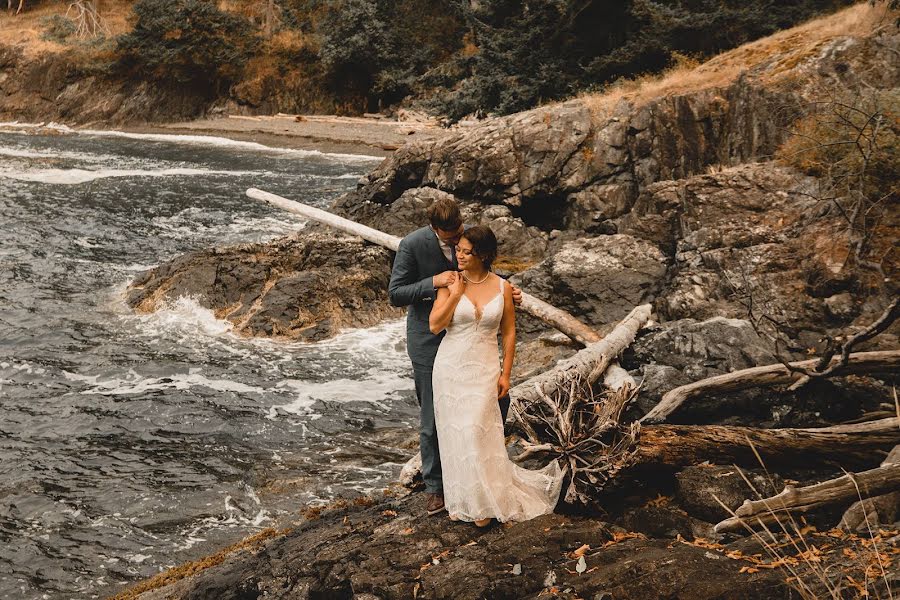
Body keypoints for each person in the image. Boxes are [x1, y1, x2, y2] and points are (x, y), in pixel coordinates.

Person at [387, 198, 521, 517]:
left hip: (470, 334)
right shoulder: (412, 244)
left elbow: (478, 264)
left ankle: (482, 473)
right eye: (447, 236)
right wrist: (434, 282)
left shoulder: (464, 239)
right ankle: (436, 487)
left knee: (494, 403)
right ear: (433, 228)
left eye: (457, 232)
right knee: (434, 413)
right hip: (428, 336)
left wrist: (506, 289)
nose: (453, 241)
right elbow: (395, 294)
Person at [429, 225, 564, 527]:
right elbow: (435, 325)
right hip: (450, 367)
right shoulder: (449, 281)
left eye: (466, 252)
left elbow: (509, 332)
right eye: (458, 250)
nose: (459, 256)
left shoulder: (503, 287)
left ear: (484, 255)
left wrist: (506, 373)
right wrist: (456, 295)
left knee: (479, 431)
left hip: (485, 367)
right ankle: (470, 501)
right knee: (458, 435)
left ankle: (490, 497)